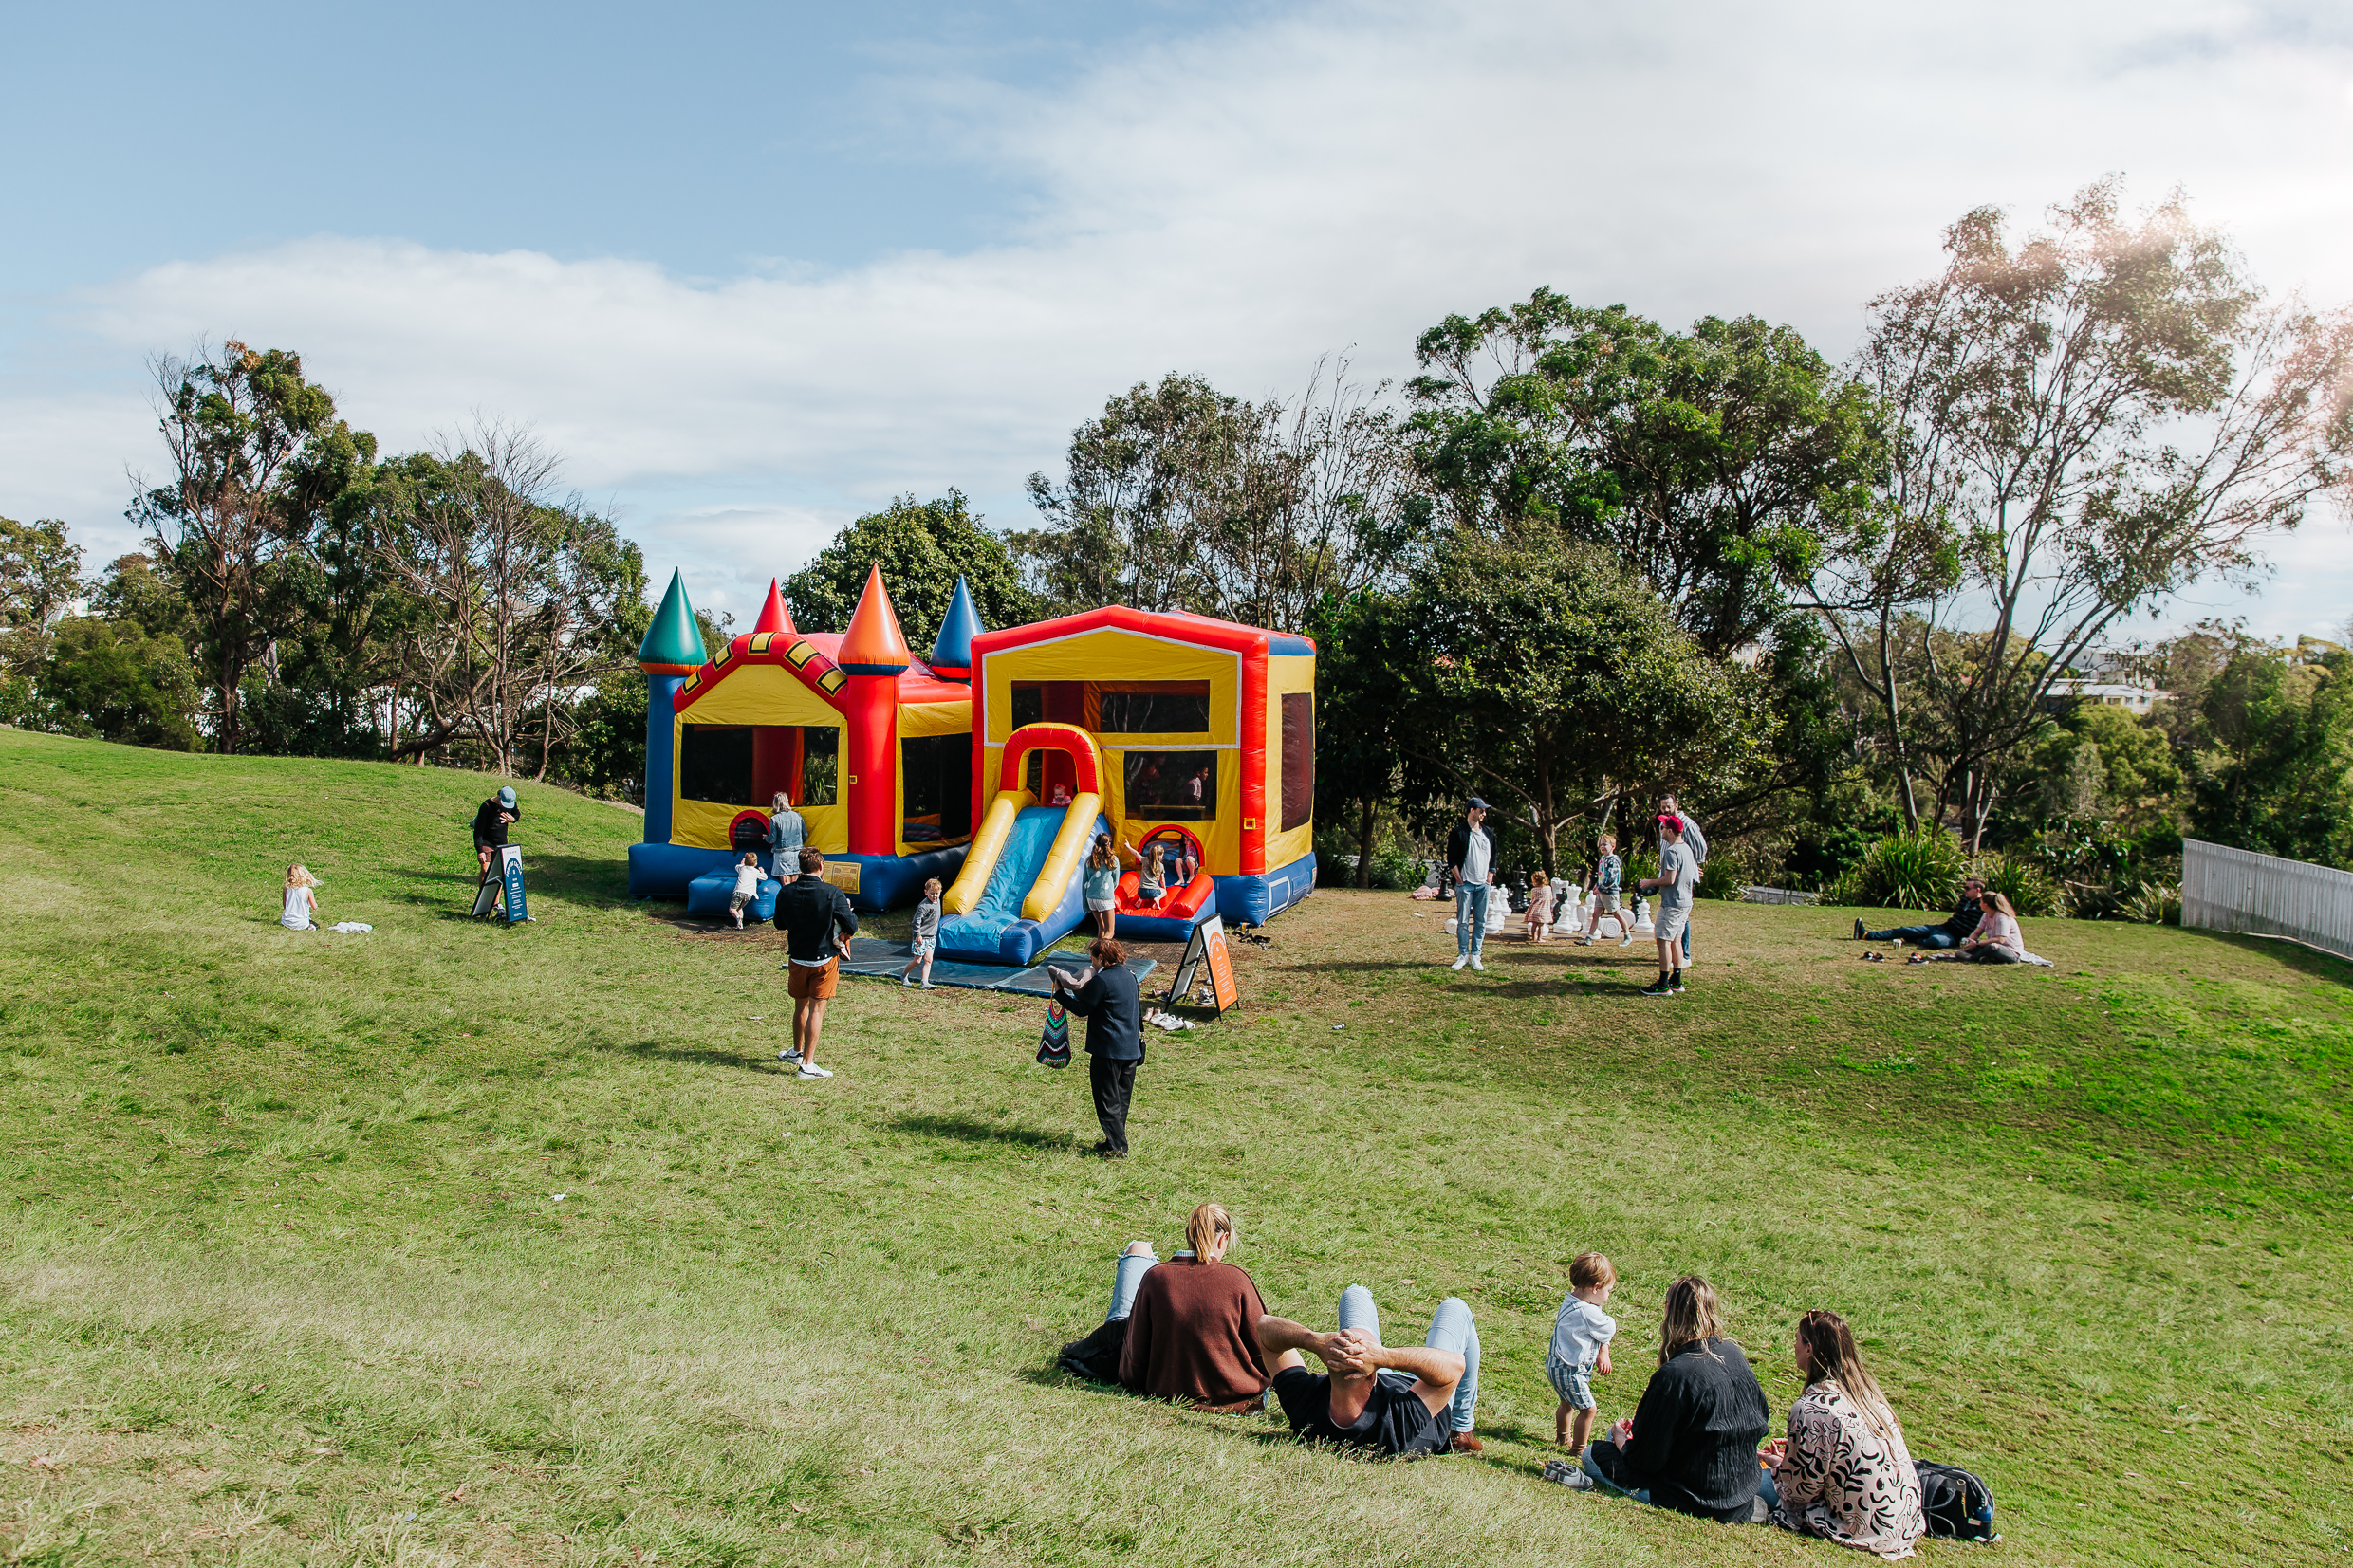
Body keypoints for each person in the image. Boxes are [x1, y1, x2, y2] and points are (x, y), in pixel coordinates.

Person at [1574, 1275, 1771, 1522]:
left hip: (1696, 1493)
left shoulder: (1674, 1375)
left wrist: (1622, 1439)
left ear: (1669, 1310)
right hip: (1739, 1485)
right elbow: (1761, 1414)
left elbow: (1645, 1461)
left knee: (1592, 1454)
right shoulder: (1733, 1353)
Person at [1762, 1310, 1927, 1558]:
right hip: (1905, 1526)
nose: (1794, 1345)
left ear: (1809, 1349)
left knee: (1755, 1479)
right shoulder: (1871, 1399)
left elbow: (1798, 1491)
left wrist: (1781, 1466)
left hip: (1865, 1531)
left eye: (1797, 1339)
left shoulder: (1812, 1408)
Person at [1255, 1284, 1484, 1457]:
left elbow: (1265, 1328)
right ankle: (1462, 1430)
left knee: (1354, 1293)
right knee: (1455, 1308)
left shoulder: (1305, 1406)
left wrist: (1313, 1340)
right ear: (1373, 1376)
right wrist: (1384, 1356)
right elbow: (1454, 1366)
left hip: (1381, 1378)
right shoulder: (1394, 1424)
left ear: (1329, 1367)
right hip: (1429, 1391)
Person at [1108, 1205, 1274, 1411]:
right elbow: (1263, 1350)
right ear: (1223, 1239)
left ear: (1189, 1234)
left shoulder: (1156, 1277)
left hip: (1165, 1389)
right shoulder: (1237, 1280)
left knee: (1139, 1250)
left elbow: (1135, 1355)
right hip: (1235, 1398)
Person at [1052, 937, 1143, 1157]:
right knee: (1121, 1100)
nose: (1091, 962)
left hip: (1108, 1050)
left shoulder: (1102, 981)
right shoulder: (1130, 977)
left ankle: (1118, 1148)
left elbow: (1083, 1008)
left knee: (1106, 1101)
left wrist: (1059, 993)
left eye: (1092, 958)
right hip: (1130, 1049)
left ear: (1101, 958)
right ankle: (1112, 1141)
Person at [773, 847, 857, 1081]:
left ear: (801, 867)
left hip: (797, 957)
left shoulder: (785, 892)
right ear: (821, 867)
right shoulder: (832, 892)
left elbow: (779, 924)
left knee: (801, 1006)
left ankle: (796, 1052)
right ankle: (807, 1065)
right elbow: (852, 924)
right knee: (817, 1010)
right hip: (823, 960)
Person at [1547, 1252, 1618, 1458]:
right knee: (1588, 1410)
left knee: (1566, 1403)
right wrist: (1604, 1351)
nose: (1608, 1296)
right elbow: (1608, 1327)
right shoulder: (1588, 1313)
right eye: (1608, 1291)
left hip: (1556, 1366)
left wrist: (1603, 1350)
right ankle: (1578, 1449)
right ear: (1595, 1288)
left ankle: (1562, 1437)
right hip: (1570, 1371)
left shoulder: (1571, 1300)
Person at [1636, 815, 1696, 997]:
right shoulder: (1686, 848)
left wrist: (1648, 882)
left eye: (1662, 828)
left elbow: (1670, 879)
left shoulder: (1671, 851)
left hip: (1672, 903)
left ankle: (1663, 984)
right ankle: (1676, 980)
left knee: (1662, 940)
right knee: (1676, 940)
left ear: (1670, 831)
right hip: (1685, 902)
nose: (1660, 830)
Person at [1855, 876, 1985, 950]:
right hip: (1943, 927)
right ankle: (1867, 935)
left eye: (1967, 888)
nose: (1964, 890)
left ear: (1978, 890)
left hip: (1955, 937)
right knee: (1905, 930)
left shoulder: (1983, 906)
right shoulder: (1964, 900)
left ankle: (1917, 940)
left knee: (1935, 942)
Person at [1907, 889, 2026, 965]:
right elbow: (1977, 931)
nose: (1979, 904)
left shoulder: (2001, 917)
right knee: (1973, 946)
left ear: (1985, 904)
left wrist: (1978, 944)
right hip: (1991, 947)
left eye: (1980, 902)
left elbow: (2000, 940)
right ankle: (1981, 958)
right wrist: (1970, 941)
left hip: (2009, 951)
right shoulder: (1986, 915)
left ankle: (1972, 958)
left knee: (1992, 947)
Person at [1446, 798, 1497, 972]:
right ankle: (1463, 955)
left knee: (1480, 922)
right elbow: (1451, 858)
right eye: (1481, 810)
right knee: (1462, 922)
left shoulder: (1488, 833)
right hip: (1465, 884)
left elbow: (1494, 856)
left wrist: (1490, 876)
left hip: (1483, 884)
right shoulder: (1458, 832)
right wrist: (1459, 879)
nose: (1484, 814)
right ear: (1471, 811)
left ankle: (1476, 954)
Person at [1660, 794, 1706, 965]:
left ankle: (1684, 955)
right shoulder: (1663, 823)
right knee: (1672, 914)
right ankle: (1673, 953)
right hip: (1669, 872)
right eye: (1663, 806)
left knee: (1680, 914)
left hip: (1681, 876)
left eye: (1669, 806)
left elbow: (1701, 847)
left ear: (1676, 805)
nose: (1666, 810)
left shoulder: (1687, 824)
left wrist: (1694, 866)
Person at [1581, 833, 1634, 947]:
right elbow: (1601, 875)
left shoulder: (1613, 861)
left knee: (1616, 914)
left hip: (1610, 892)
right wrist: (1596, 885)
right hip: (1601, 892)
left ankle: (1627, 935)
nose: (1602, 847)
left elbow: (1611, 879)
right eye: (1601, 845)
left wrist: (1600, 888)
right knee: (1596, 914)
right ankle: (1589, 938)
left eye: (1605, 844)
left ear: (1613, 846)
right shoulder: (1603, 859)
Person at [902, 876, 942, 987]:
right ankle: (904, 975)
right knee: (917, 961)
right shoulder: (923, 906)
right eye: (931, 893)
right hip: (922, 937)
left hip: (931, 937)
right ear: (926, 892)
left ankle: (924, 982)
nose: (934, 896)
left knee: (928, 959)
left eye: (936, 893)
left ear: (940, 892)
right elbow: (916, 922)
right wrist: (917, 935)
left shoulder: (938, 900)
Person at [472, 785, 519, 879]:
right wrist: (480, 850)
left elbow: (516, 813)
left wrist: (513, 819)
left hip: (501, 843)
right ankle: (483, 893)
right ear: (499, 797)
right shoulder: (486, 807)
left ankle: (496, 894)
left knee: (499, 874)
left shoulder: (511, 803)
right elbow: (478, 830)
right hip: (487, 842)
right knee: (485, 870)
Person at [1083, 834, 1123, 938]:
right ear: (1108, 844)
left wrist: (1085, 902)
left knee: (1101, 928)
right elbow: (1115, 881)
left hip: (1091, 897)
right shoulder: (1112, 860)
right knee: (1110, 932)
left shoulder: (1089, 860)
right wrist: (1108, 890)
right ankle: (1102, 952)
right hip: (1104, 896)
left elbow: (1085, 882)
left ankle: (1097, 954)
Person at [767, 791, 806, 878]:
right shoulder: (798, 816)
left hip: (782, 852)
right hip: (797, 851)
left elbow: (772, 839)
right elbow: (805, 834)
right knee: (795, 880)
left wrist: (766, 838)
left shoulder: (774, 819)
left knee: (785, 882)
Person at [727, 851, 763, 931]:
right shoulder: (756, 872)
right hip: (749, 894)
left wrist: (742, 863)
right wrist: (762, 871)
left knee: (732, 909)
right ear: (755, 863)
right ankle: (740, 925)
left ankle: (738, 917)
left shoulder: (741, 868)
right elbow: (764, 877)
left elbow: (737, 867)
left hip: (739, 891)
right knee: (740, 908)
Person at [280, 863, 322, 931]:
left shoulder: (286, 889)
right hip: (302, 923)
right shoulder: (307, 890)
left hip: (286, 922)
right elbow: (314, 907)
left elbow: (285, 906)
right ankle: (311, 927)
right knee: (316, 925)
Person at [1131, 839, 1166, 909]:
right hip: (1153, 892)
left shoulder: (1144, 860)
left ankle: (1140, 899)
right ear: (1160, 856)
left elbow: (1136, 853)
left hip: (1141, 892)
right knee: (1164, 891)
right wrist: (1164, 888)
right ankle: (1157, 899)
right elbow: (1162, 880)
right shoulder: (1161, 866)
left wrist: (1128, 846)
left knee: (1144, 888)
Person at [1526, 872, 1556, 943]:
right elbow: (1551, 898)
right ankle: (1539, 938)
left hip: (1535, 910)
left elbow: (1533, 898)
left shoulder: (1534, 890)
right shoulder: (1548, 888)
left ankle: (1533, 937)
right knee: (1540, 926)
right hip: (1543, 910)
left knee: (1534, 925)